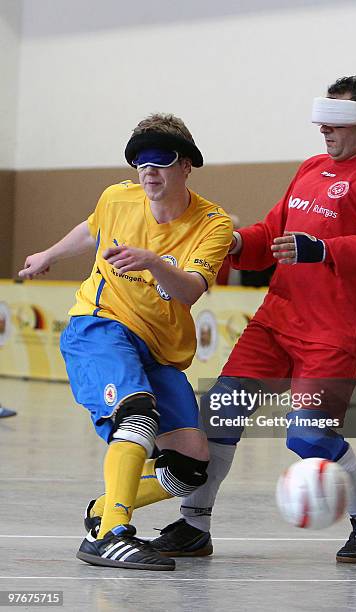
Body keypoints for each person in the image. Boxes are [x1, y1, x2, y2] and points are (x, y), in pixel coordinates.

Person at [151, 76, 356, 563]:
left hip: (332, 333)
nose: (323, 129)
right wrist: (232, 244)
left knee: (309, 435)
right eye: (321, 119)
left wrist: (322, 249)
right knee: (220, 415)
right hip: (275, 321)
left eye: (334, 120)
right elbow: (270, 234)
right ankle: (193, 525)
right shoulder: (311, 169)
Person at [18, 113, 233, 571]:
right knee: (135, 411)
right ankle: (112, 533)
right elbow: (93, 228)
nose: (148, 170)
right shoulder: (118, 197)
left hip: (158, 348)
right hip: (100, 326)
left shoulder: (212, 223)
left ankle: (107, 506)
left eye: (161, 159)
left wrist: (153, 261)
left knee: (192, 461)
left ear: (186, 166)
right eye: (140, 160)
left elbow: (190, 290)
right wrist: (49, 255)